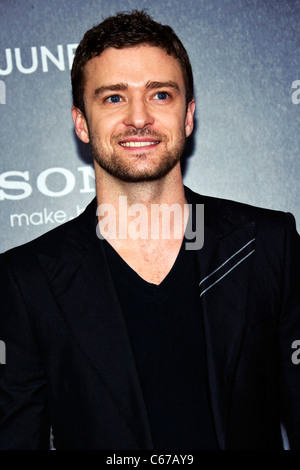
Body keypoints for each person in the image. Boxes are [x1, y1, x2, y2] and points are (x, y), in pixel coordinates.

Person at [0, 9, 300, 451]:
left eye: (160, 95)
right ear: (81, 122)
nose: (139, 118)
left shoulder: (269, 244)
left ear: (188, 115)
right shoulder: (25, 281)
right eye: (113, 98)